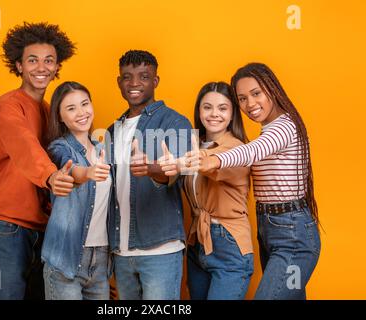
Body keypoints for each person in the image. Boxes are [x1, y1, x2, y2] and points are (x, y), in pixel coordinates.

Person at [197, 63, 321, 300]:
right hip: (270, 229)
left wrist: (214, 161)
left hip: (293, 235)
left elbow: (252, 151)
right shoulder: (269, 131)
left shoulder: (284, 127)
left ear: (272, 89)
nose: (250, 104)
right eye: (242, 99)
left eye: (256, 94)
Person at [0, 22, 76, 300]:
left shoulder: (50, 111)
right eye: (32, 60)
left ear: (57, 67)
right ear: (19, 66)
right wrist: (52, 176)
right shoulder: (8, 105)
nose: (41, 67)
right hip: (3, 229)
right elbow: (24, 145)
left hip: (42, 231)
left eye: (49, 61)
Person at [105, 50, 193, 300]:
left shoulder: (175, 122)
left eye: (143, 76)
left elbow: (176, 171)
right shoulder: (112, 130)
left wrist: (154, 169)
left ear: (155, 81)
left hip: (160, 250)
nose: (134, 83)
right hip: (120, 252)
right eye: (127, 77)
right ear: (119, 82)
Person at [158, 81, 254, 299]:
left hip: (229, 245)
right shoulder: (194, 145)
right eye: (207, 107)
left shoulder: (238, 149)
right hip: (198, 243)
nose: (214, 114)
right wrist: (156, 166)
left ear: (232, 114)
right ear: (199, 111)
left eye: (222, 108)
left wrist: (182, 162)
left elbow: (212, 163)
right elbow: (173, 174)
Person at [41, 81, 112, 300]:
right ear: (60, 116)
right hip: (66, 258)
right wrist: (88, 173)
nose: (81, 113)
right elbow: (71, 171)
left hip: (100, 261)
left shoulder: (102, 150)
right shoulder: (59, 148)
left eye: (84, 104)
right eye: (71, 108)